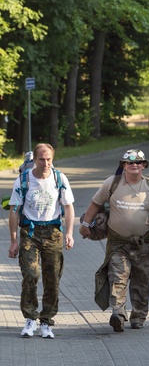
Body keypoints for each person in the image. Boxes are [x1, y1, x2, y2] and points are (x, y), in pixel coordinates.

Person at [79, 149, 149, 332]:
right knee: (118, 276)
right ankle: (118, 313)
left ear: (144, 165)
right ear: (123, 166)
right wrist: (86, 224)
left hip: (143, 242)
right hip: (118, 242)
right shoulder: (112, 183)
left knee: (141, 280)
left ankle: (138, 315)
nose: (134, 165)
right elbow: (95, 204)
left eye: (138, 162)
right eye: (129, 162)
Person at [8, 143, 75, 339]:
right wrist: (13, 241)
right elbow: (14, 211)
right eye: (41, 159)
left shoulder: (59, 178)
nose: (45, 163)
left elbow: (69, 207)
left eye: (49, 160)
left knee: (52, 278)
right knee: (31, 273)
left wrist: (69, 233)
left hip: (53, 232)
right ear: (34, 160)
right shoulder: (23, 180)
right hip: (30, 231)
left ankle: (46, 321)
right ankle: (30, 318)